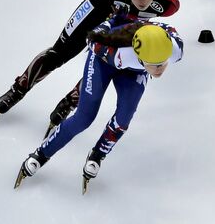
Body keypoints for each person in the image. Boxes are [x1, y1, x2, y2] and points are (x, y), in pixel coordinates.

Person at [0, 0, 179, 124]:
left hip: (122, 23)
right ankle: (18, 89)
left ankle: (69, 102)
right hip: (96, 11)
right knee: (60, 52)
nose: (144, 1)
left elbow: (171, 5)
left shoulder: (167, 4)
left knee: (103, 63)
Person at [14, 18, 183, 192]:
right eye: (154, 65)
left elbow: (167, 27)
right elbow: (92, 40)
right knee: (84, 117)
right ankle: (42, 154)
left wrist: (137, 22)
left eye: (163, 63)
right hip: (104, 61)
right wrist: (112, 22)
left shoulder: (175, 50)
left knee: (124, 117)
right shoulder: (119, 55)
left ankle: (98, 153)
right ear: (140, 58)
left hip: (134, 69)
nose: (160, 69)